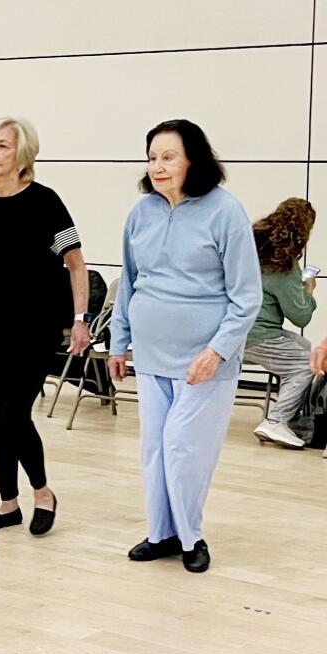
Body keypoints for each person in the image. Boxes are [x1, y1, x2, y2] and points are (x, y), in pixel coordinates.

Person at [110, 119, 261, 573]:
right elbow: (130, 283)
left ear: (193, 159)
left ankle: (192, 536)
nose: (158, 166)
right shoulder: (141, 213)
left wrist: (217, 350)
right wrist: (119, 343)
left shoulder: (224, 211)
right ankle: (161, 533)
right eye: (152, 157)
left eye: (169, 156)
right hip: (151, 356)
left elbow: (246, 295)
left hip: (205, 362)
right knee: (154, 449)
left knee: (182, 447)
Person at [0, 116, 91, 536]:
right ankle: (8, 504)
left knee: (14, 413)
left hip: (36, 327)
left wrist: (80, 320)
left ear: (23, 154)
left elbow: (76, 264)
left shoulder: (45, 201)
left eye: (2, 146)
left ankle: (42, 493)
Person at [245, 198, 317, 449]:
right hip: (257, 334)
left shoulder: (247, 247)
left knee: (304, 346)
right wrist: (307, 290)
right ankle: (276, 420)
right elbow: (300, 316)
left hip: (228, 329)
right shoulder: (283, 265)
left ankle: (289, 416)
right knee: (309, 362)